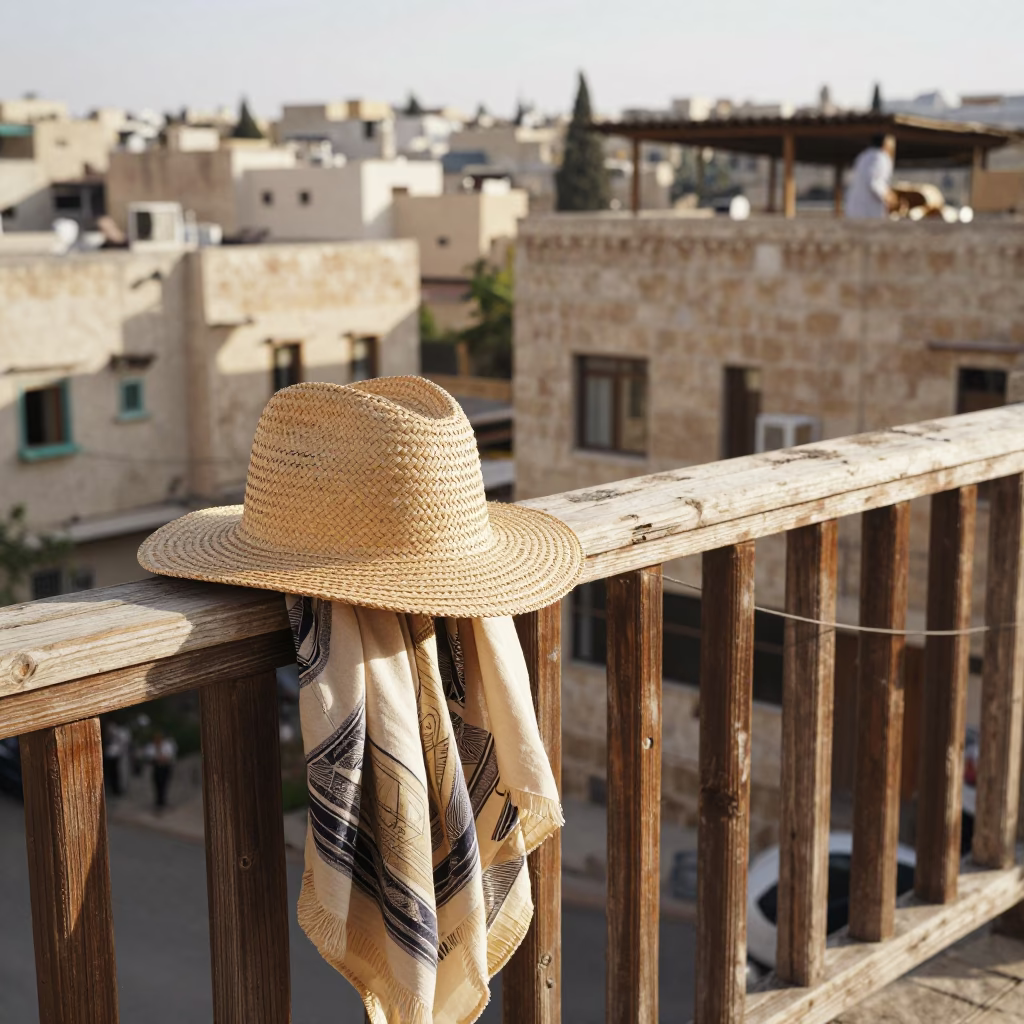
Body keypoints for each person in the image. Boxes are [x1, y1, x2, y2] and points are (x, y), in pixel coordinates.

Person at [846, 133, 896, 219]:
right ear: (885, 143)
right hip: (870, 211)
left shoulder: (862, 156)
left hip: (854, 209)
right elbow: (875, 182)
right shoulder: (881, 157)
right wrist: (888, 197)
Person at [149, 731, 177, 811]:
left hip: (165, 767)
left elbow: (169, 756)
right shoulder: (152, 746)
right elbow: (151, 757)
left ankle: (162, 800)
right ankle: (159, 800)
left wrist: (162, 758)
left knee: (164, 783)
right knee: (157, 783)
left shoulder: (167, 745)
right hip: (157, 767)